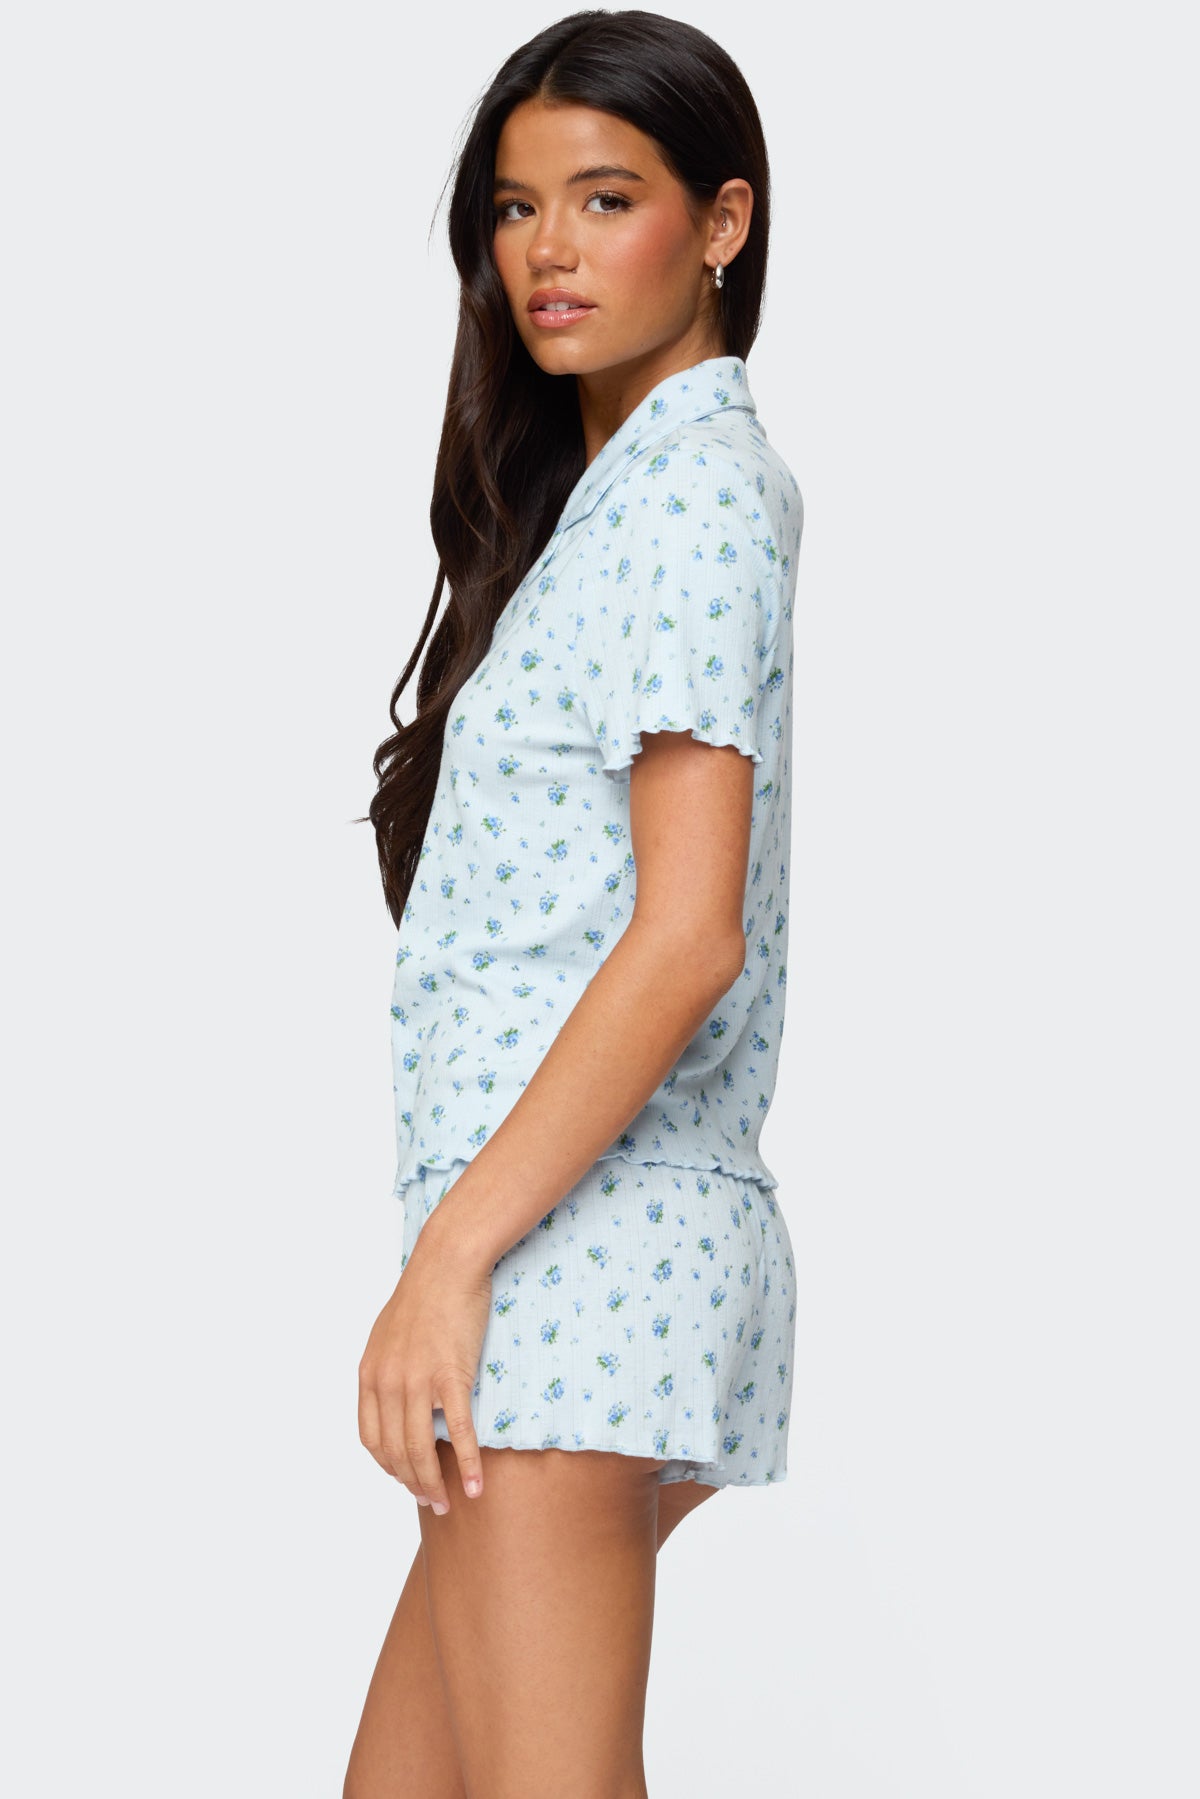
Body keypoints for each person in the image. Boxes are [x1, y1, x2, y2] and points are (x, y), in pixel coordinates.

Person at [345, 11, 804, 1795]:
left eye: (607, 199)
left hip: (577, 1261)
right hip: (569, 1251)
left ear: (721, 223)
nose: (549, 249)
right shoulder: (616, 505)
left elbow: (689, 937)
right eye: (516, 207)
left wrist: (448, 1261)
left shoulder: (696, 498)